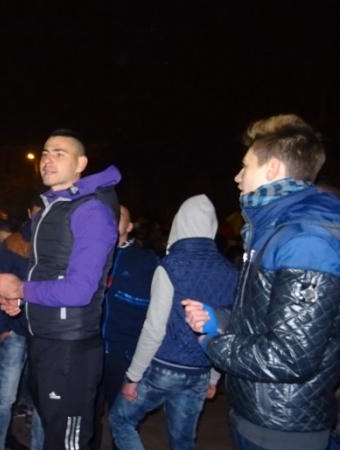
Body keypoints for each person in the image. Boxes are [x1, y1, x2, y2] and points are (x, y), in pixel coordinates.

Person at [183, 114, 340, 450]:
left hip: (283, 427)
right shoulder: (273, 232)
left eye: (245, 166)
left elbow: (290, 356)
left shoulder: (306, 240)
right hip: (258, 413)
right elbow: (267, 320)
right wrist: (219, 317)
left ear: (272, 170)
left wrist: (214, 344)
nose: (237, 177)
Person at [0, 129, 120, 449]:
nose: (48, 160)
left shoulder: (91, 211)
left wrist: (22, 290)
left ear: (81, 164)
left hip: (70, 349)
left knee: (67, 442)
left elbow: (80, 290)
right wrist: (23, 303)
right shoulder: (53, 207)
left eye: (60, 153)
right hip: (45, 341)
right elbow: (49, 273)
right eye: (45, 153)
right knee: (51, 434)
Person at [109, 195, 238, 450]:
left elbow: (154, 328)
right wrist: (213, 378)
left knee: (120, 420)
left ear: (180, 222)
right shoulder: (231, 272)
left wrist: (133, 376)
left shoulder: (169, 266)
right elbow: (226, 329)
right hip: (200, 370)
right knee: (183, 441)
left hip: (164, 368)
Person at [91, 205, 159, 450]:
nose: (112, 217)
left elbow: (155, 310)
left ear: (129, 227)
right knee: (88, 416)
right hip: (90, 350)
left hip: (124, 353)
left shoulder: (145, 261)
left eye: (119, 216)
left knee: (121, 419)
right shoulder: (90, 256)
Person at [0, 197, 45, 450]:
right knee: (5, 397)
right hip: (15, 331)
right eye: (37, 211)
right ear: (29, 212)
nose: (41, 216)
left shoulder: (56, 243)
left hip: (42, 333)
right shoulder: (12, 244)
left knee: (41, 399)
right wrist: (3, 329)